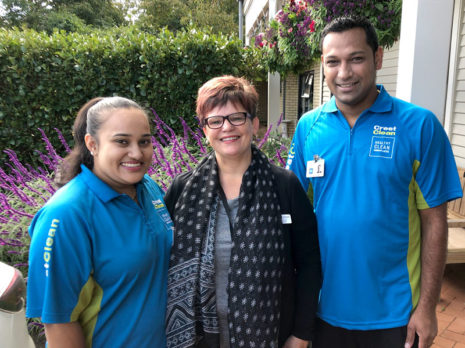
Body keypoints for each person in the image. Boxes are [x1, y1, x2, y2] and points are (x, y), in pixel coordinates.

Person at [286, 16, 463, 348]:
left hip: (396, 314)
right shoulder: (308, 128)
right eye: (333, 62)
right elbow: (293, 211)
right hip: (323, 309)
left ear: (378, 57)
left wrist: (427, 308)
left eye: (356, 58)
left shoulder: (419, 126)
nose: (344, 73)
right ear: (323, 67)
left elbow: (435, 221)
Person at [164, 75, 321, 348]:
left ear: (254, 124)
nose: (227, 127)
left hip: (273, 336)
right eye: (215, 120)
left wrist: (300, 335)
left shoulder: (284, 186)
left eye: (237, 117)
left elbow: (309, 264)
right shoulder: (182, 190)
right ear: (204, 130)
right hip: (201, 339)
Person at [26, 97, 173, 347]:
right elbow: (59, 322)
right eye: (122, 141)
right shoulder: (66, 215)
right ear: (92, 144)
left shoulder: (149, 189)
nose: (136, 153)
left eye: (144, 141)